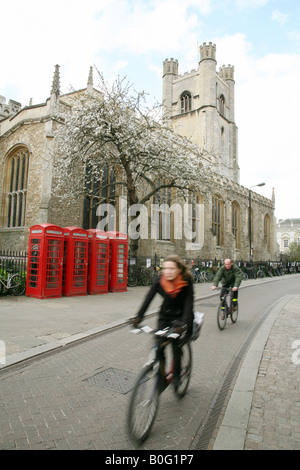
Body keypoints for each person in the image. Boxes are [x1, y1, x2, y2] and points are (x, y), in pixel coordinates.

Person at [131, 254, 194, 390]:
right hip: (165, 315)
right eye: (165, 268)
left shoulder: (186, 281)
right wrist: (138, 317)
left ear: (179, 269)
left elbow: (189, 304)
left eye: (172, 268)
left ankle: (177, 376)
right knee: (160, 345)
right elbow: (148, 298)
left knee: (175, 346)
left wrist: (184, 325)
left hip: (182, 316)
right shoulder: (160, 281)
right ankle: (161, 376)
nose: (168, 272)